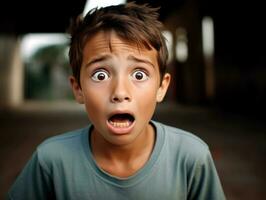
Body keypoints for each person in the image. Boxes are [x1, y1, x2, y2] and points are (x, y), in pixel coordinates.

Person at [7, 2, 226, 200]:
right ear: (78, 89)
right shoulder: (50, 161)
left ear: (162, 87)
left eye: (139, 75)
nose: (120, 92)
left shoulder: (191, 157)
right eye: (100, 75)